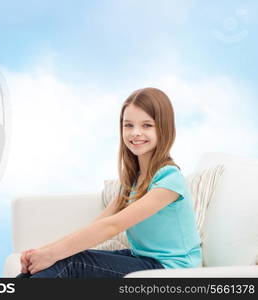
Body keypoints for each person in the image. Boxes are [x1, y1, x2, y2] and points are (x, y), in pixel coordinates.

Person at [16, 87, 202, 278]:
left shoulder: (169, 180)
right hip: (143, 259)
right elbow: (99, 222)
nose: (135, 133)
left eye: (147, 125)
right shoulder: (133, 180)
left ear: (164, 128)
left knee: (70, 263)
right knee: (60, 260)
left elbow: (112, 226)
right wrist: (41, 253)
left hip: (171, 270)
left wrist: (51, 254)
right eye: (128, 125)